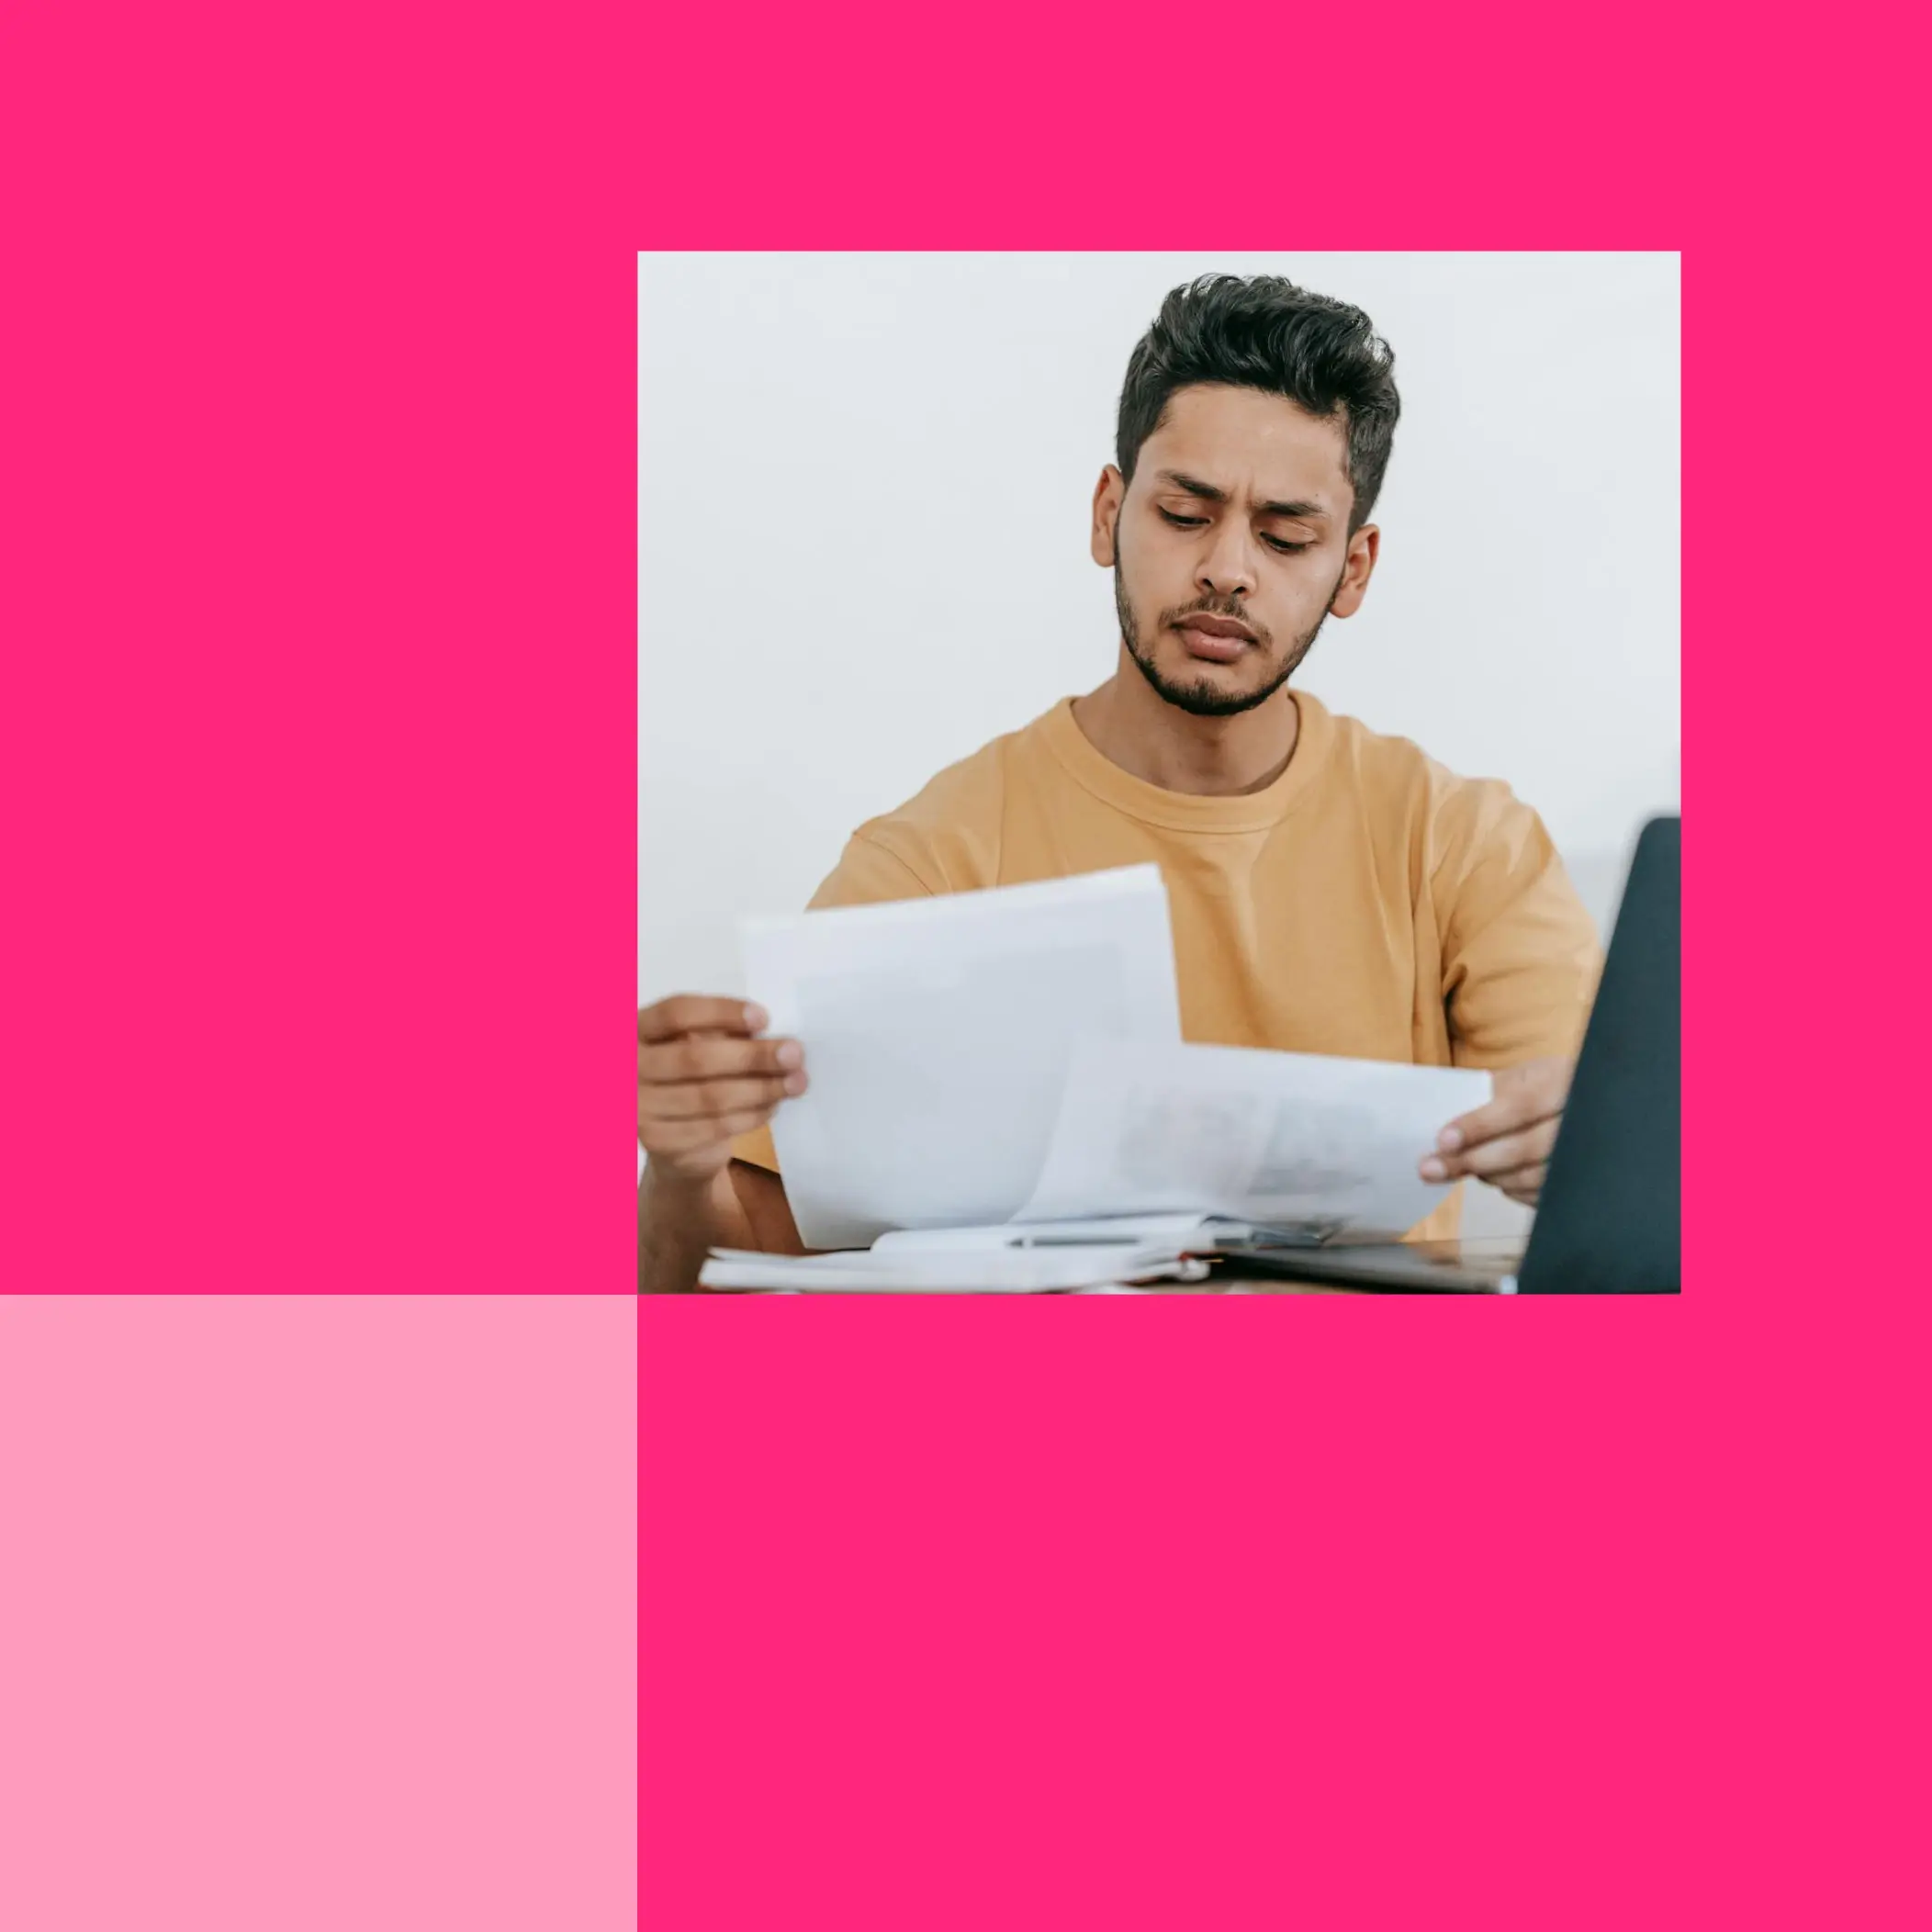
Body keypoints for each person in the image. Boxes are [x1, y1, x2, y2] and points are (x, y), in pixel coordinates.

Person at [639, 274, 1601, 1293]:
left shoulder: (1460, 843)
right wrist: (680, 1168)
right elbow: (706, 1285)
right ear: (1109, 514)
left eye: (1284, 537)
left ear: (1353, 570)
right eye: (1185, 513)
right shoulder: (937, 855)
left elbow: (1632, 1186)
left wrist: (1590, 1152)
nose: (1227, 568)